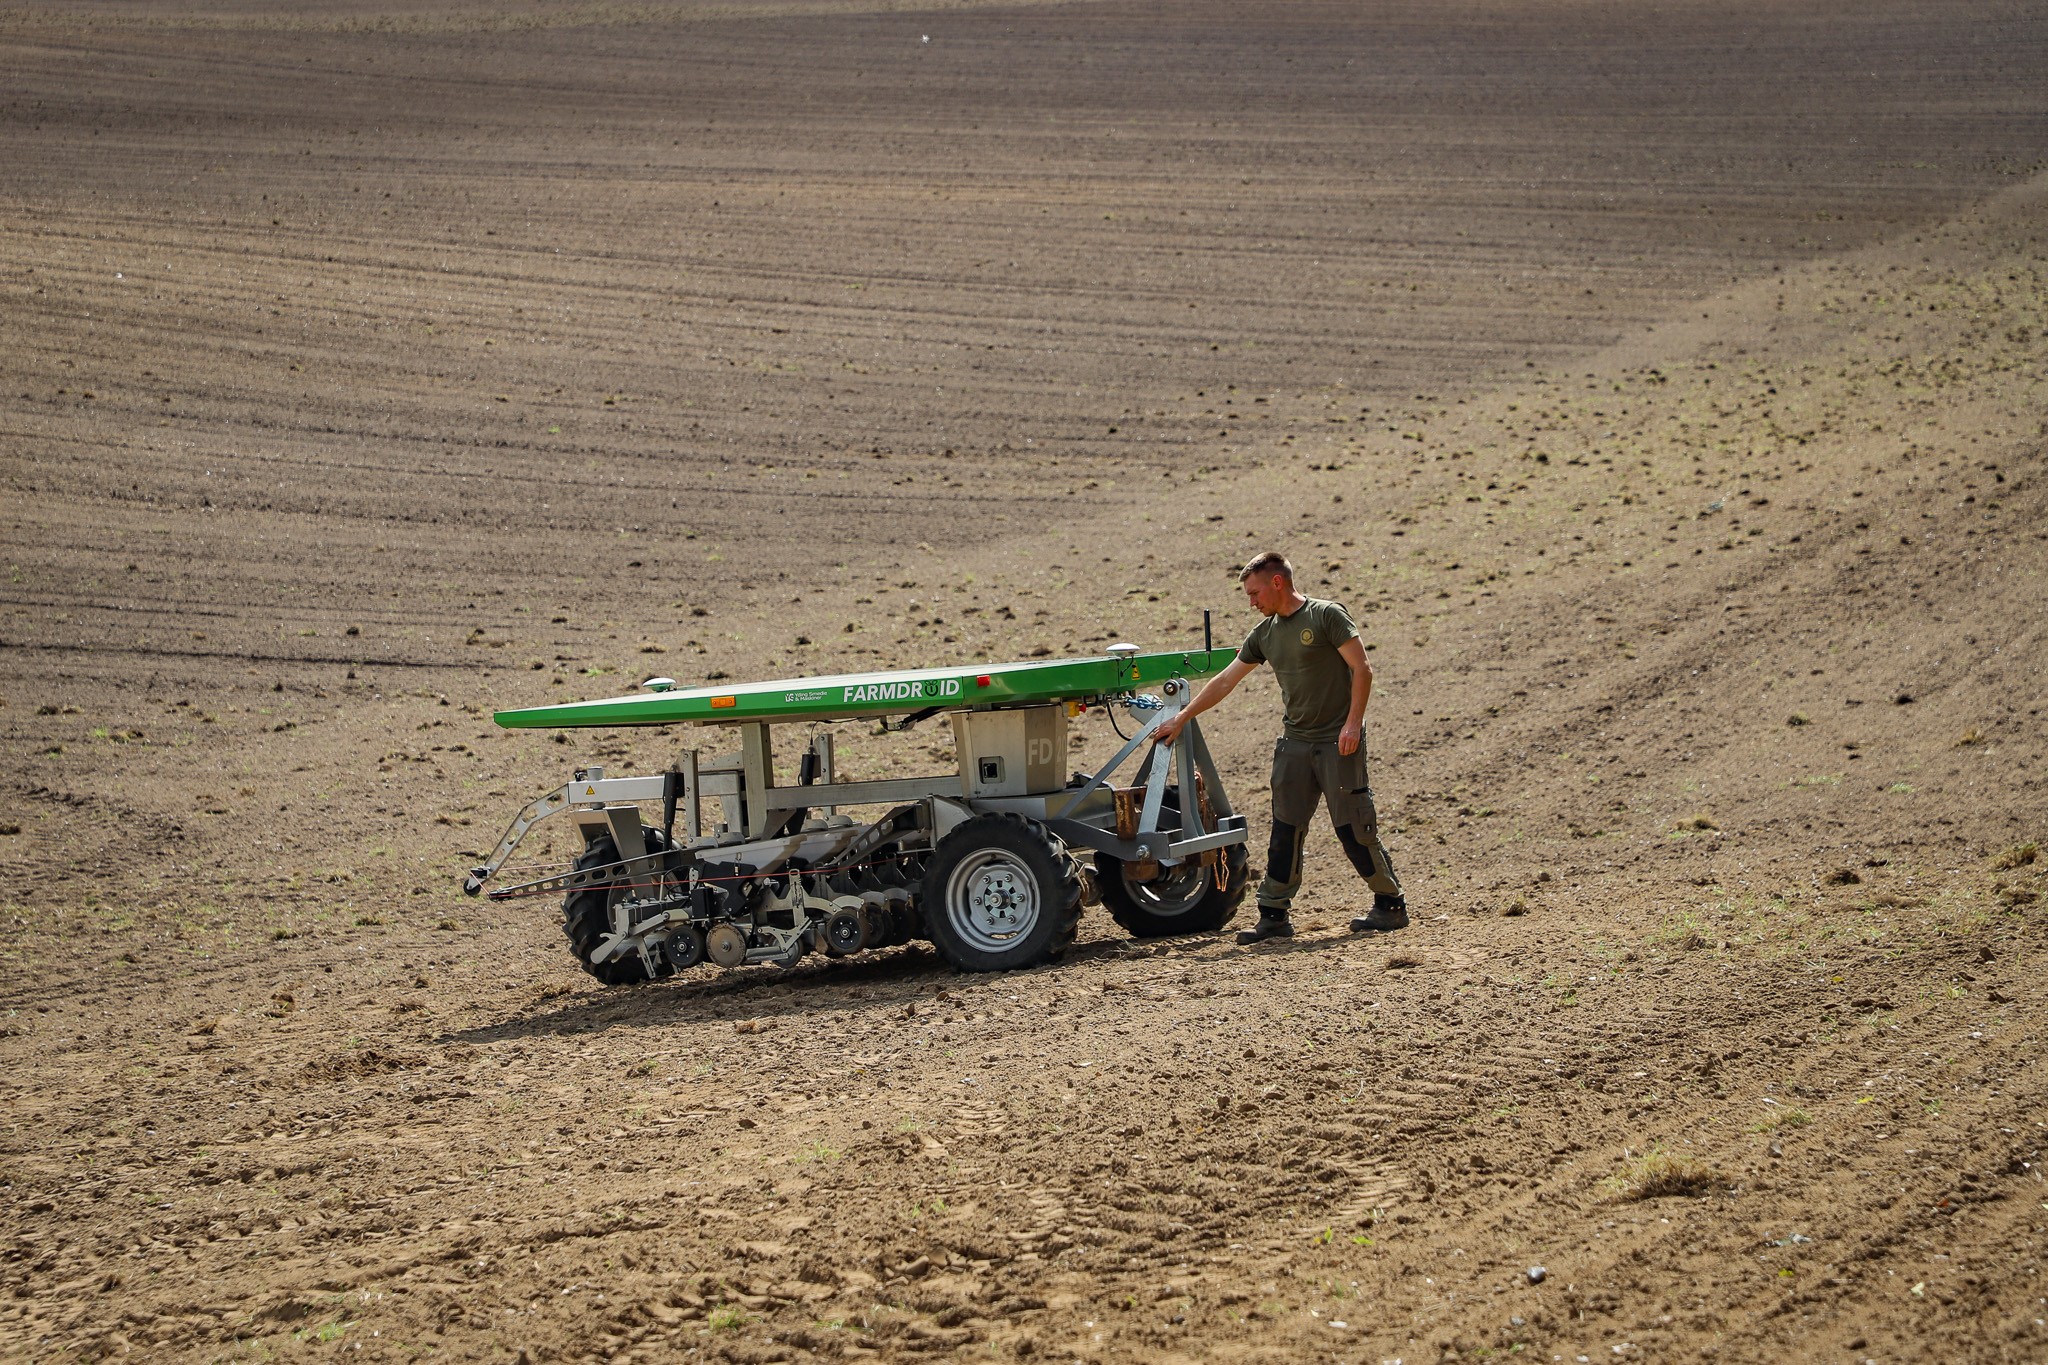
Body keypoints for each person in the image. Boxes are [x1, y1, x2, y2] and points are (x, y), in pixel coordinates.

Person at [1153, 551, 1406, 943]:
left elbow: (1362, 668)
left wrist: (1353, 723)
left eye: (1254, 593)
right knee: (1285, 831)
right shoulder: (1264, 635)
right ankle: (1273, 914)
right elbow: (1224, 681)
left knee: (1353, 827)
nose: (1251, 602)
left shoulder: (1326, 616)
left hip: (1338, 741)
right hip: (1295, 745)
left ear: (1277, 582)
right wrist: (1182, 716)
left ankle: (1389, 904)